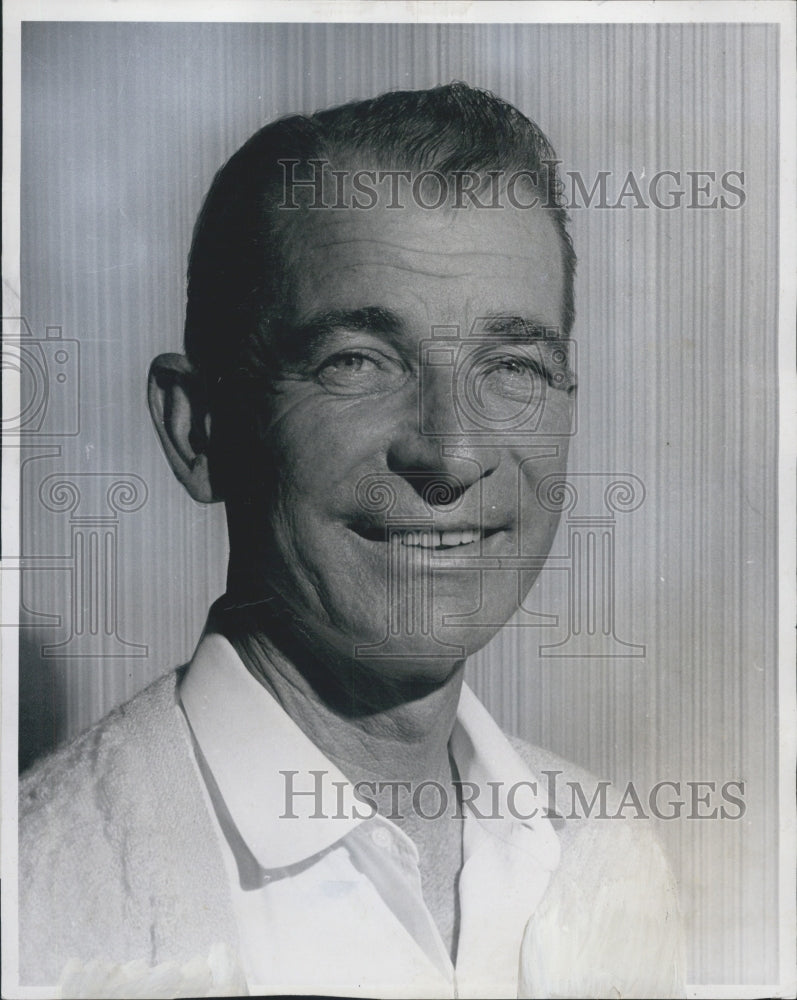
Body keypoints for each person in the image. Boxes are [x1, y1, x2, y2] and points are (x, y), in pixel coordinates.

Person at [19, 83, 684, 998]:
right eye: (358, 362)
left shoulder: (611, 856)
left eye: (512, 366)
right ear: (197, 431)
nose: (450, 452)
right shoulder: (35, 907)